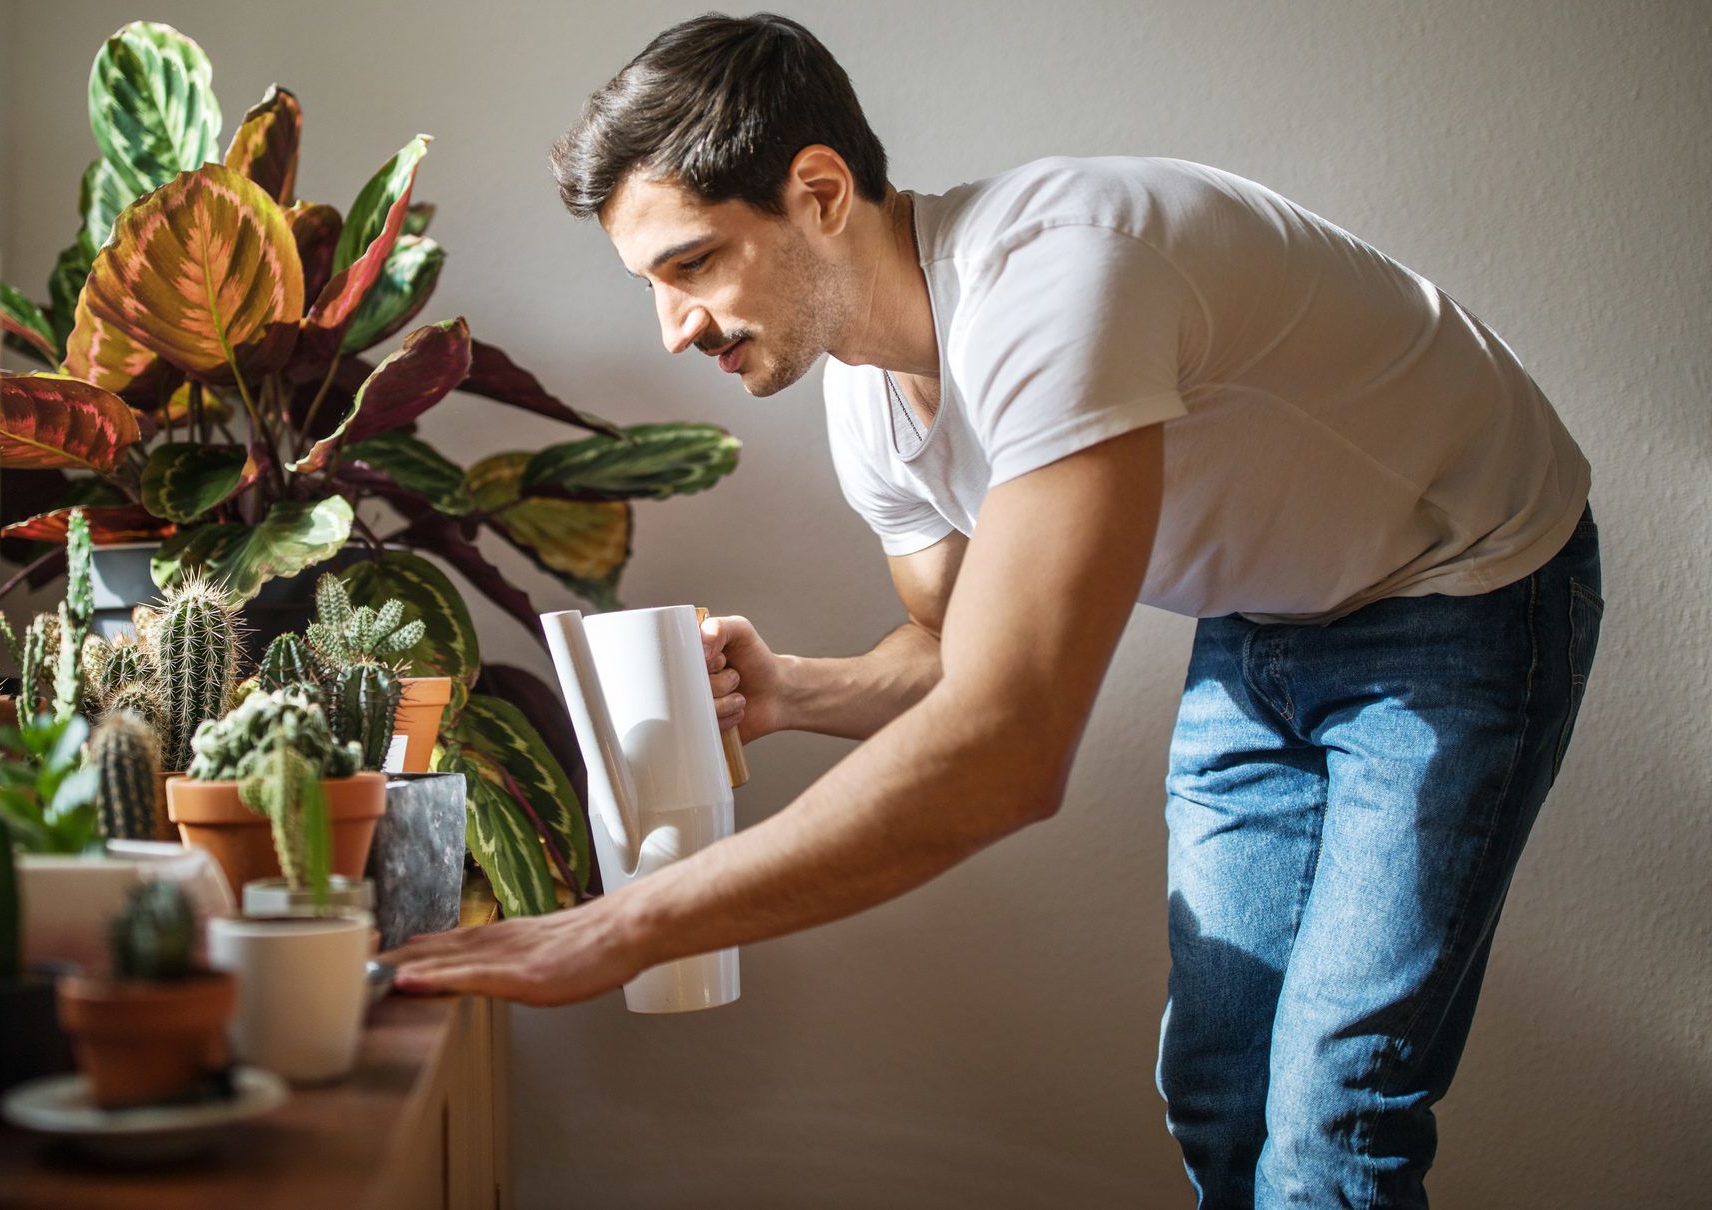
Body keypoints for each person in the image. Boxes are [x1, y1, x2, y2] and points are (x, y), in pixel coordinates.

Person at [383, 13, 1603, 1206]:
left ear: (817, 192)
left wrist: (623, 926)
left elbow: (1008, 746)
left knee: (1336, 1118)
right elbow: (955, 654)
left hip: (1465, 585)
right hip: (1262, 621)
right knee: (1220, 1091)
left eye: (692, 263)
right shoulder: (867, 399)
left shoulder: (1058, 281)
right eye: (650, 281)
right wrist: (794, 689)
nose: (672, 327)